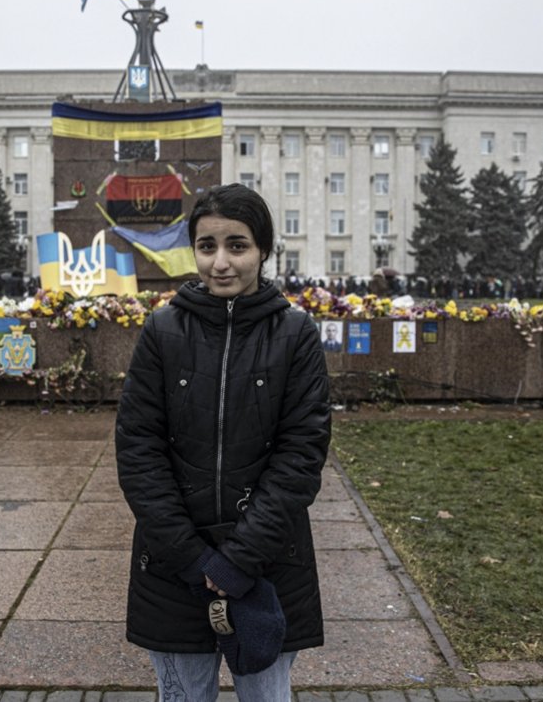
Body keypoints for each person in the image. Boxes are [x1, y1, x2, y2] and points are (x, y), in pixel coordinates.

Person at [115, 183, 331, 701]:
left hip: (268, 564)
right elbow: (139, 448)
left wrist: (240, 558)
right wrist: (194, 559)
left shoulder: (295, 333)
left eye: (238, 245)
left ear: (263, 251)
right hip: (172, 568)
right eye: (207, 246)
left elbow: (301, 455)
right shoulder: (163, 329)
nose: (220, 262)